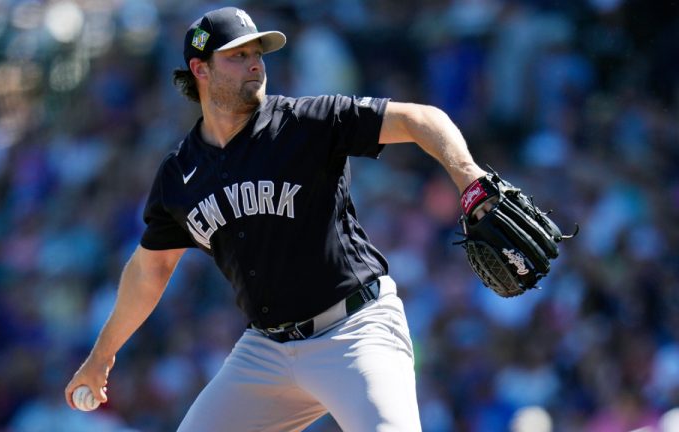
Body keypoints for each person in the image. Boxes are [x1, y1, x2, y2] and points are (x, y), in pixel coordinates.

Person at [65, 6, 487, 431]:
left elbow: (419, 118)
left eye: (258, 54)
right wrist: (102, 355)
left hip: (354, 330)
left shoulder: (305, 123)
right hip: (266, 350)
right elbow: (150, 269)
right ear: (200, 69)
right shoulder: (180, 174)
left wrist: (470, 178)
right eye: (237, 55)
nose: (254, 64)